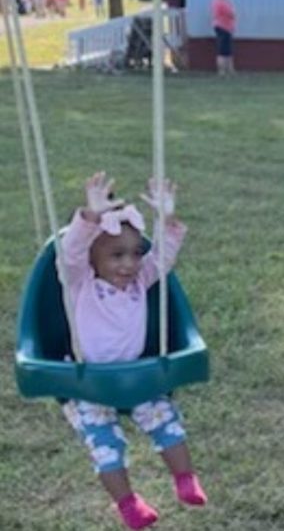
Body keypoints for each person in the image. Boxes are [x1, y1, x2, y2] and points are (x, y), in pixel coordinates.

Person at [60, 172, 207, 529]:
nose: (128, 263)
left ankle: (185, 479)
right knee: (105, 448)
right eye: (116, 255)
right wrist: (91, 218)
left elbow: (165, 253)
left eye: (135, 253)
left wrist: (167, 219)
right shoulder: (78, 281)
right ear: (93, 258)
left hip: (137, 376)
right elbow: (71, 251)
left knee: (169, 425)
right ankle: (128, 504)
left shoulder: (141, 279)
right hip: (88, 385)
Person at [211, 0, 236, 76]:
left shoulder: (222, 2)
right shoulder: (220, 3)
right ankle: (222, 70)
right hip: (223, 27)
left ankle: (229, 69)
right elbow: (231, 14)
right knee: (223, 50)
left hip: (226, 27)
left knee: (227, 50)